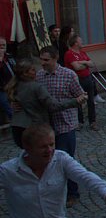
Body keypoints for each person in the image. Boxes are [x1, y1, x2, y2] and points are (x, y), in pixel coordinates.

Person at [36, 47, 88, 207]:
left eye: (46, 60)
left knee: (66, 160)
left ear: (55, 59)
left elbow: (81, 95)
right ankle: (53, 191)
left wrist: (79, 101)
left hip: (65, 124)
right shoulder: (39, 76)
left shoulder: (68, 75)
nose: (42, 63)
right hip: (46, 125)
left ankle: (72, 193)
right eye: (41, 59)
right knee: (48, 160)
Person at [7, 57, 85, 148]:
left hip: (18, 127)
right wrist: (75, 101)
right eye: (33, 70)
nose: (35, 71)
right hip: (34, 129)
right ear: (25, 73)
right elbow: (53, 106)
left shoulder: (15, 85)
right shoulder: (36, 87)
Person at [64, 34, 98, 131]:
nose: (82, 42)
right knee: (78, 101)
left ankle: (92, 121)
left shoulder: (82, 53)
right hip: (77, 80)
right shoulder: (69, 54)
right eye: (80, 41)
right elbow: (77, 67)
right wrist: (86, 64)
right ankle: (79, 122)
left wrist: (84, 62)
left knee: (91, 101)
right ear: (75, 43)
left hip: (87, 78)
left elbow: (92, 64)